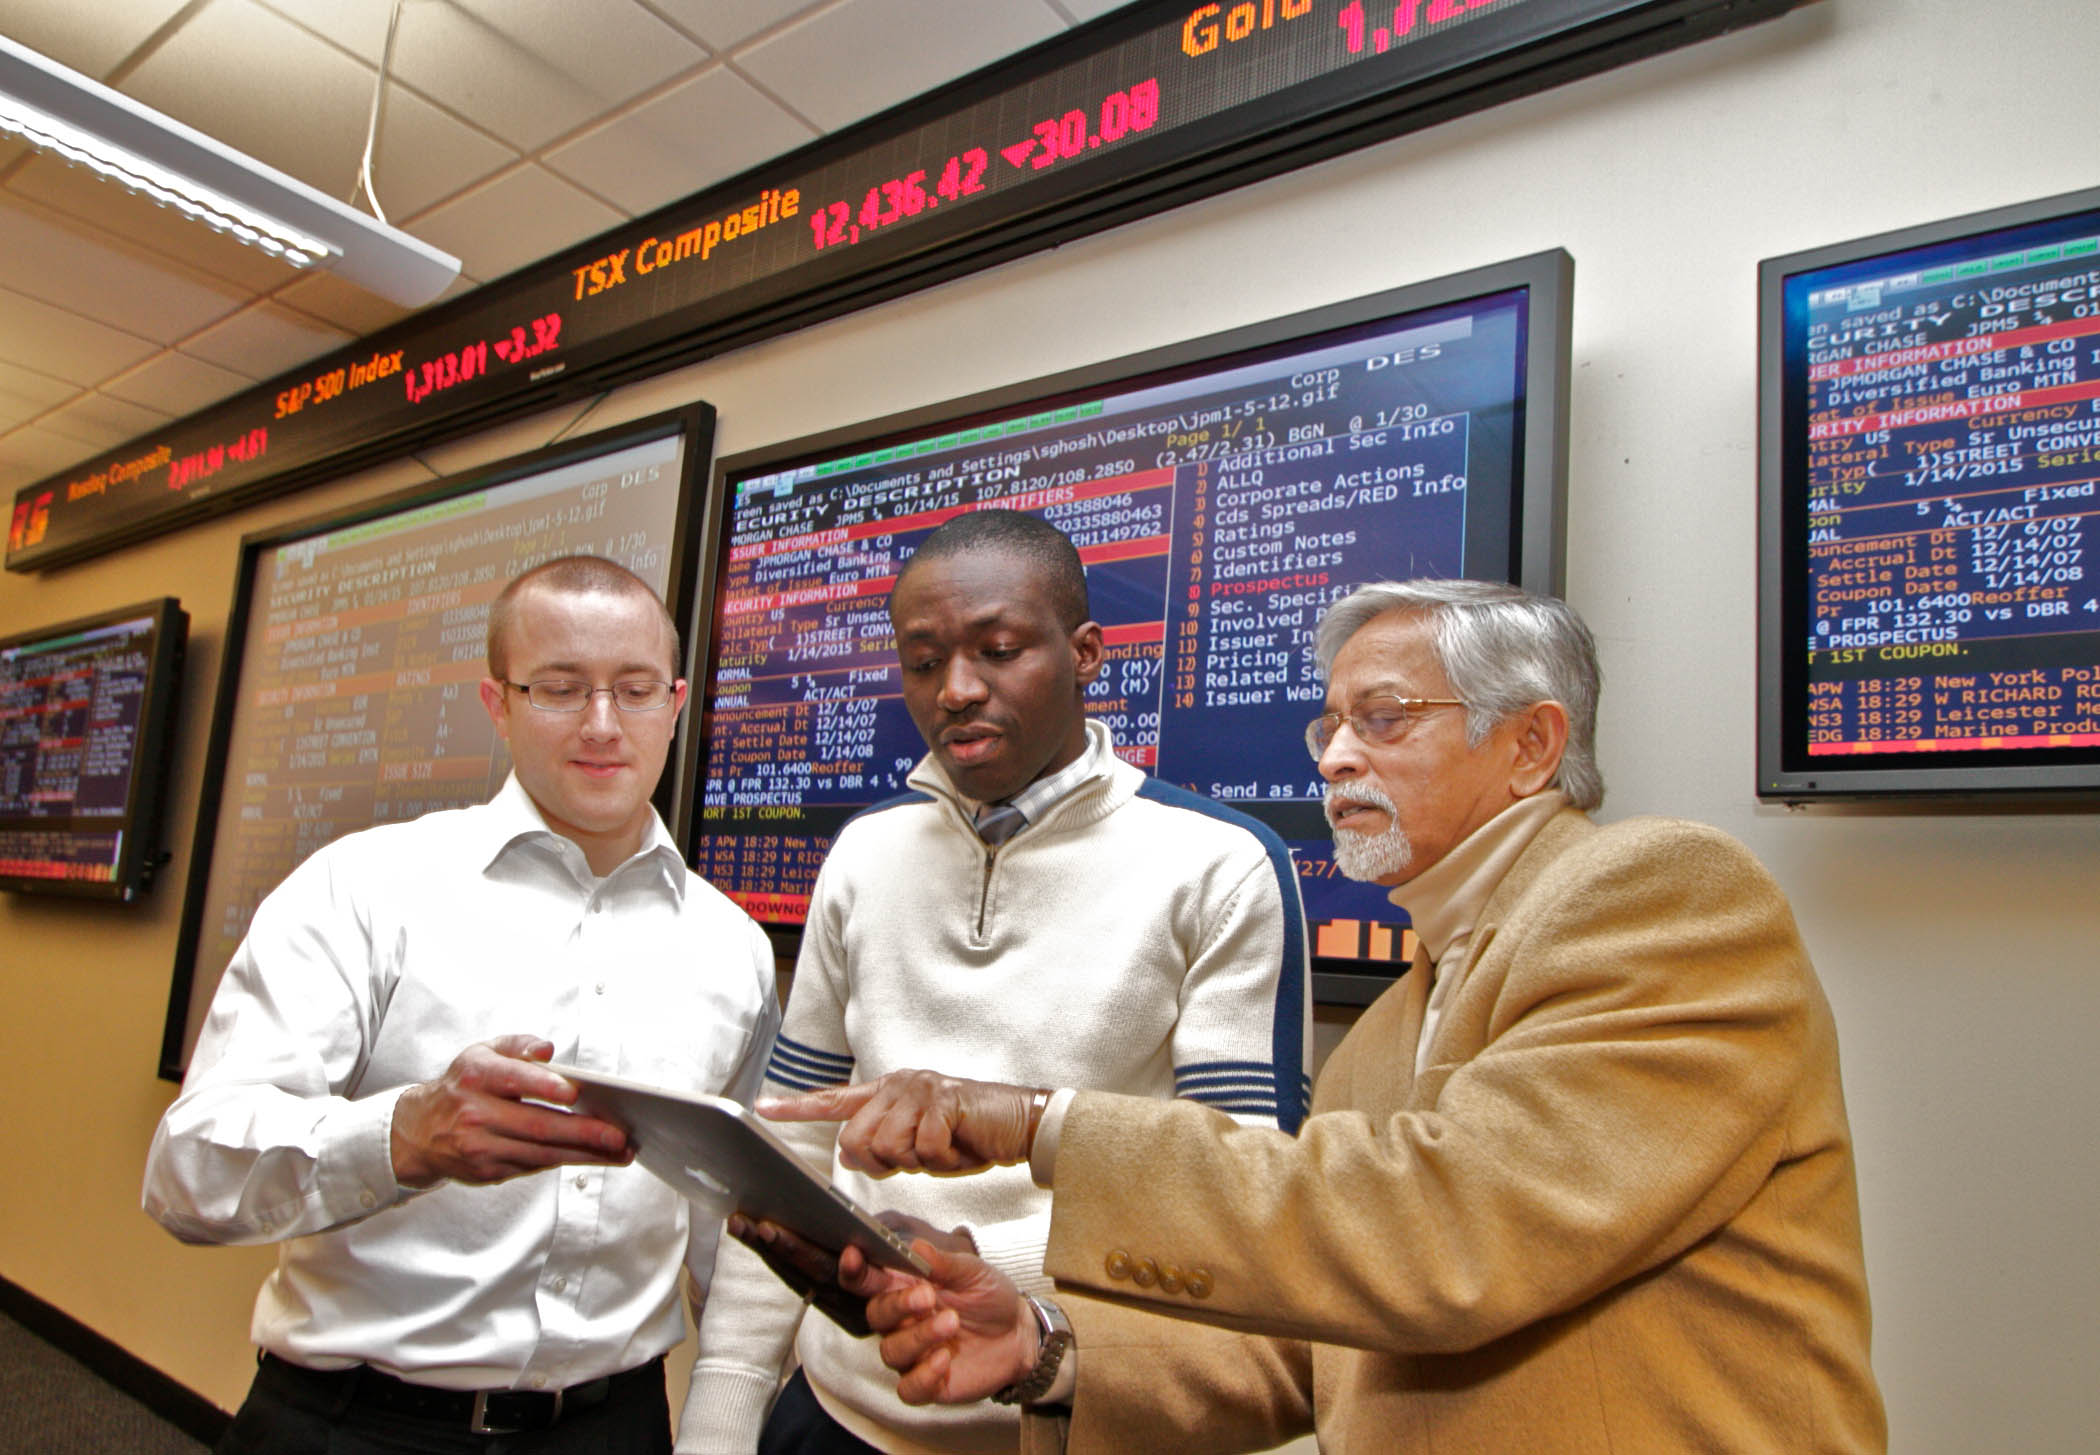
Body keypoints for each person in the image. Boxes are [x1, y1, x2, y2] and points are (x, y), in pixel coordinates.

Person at [772, 579, 1888, 1452]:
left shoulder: (1666, 894)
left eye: (1385, 718)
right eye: (1332, 726)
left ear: (1532, 745)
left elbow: (1447, 1231)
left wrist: (1039, 1122)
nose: (1338, 755)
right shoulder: (1398, 1019)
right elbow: (1310, 1348)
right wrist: (1042, 1348)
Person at [686, 511, 1311, 1454]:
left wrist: (984, 1270)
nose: (957, 690)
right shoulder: (862, 854)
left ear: (1087, 652)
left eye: (1000, 649)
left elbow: (1239, 1191)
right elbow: (792, 1150)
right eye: (924, 661)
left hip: (1055, 1414)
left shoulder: (1220, 867)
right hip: (834, 1415)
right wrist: (724, 1414)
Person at [143, 555, 780, 1455]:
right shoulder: (364, 888)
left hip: (616, 1432)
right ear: (499, 704)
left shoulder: (734, 949)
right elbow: (189, 1170)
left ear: (676, 703)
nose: (604, 725)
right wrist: (402, 1137)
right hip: (357, 1427)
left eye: (635, 690)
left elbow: (723, 1230)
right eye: (560, 688)